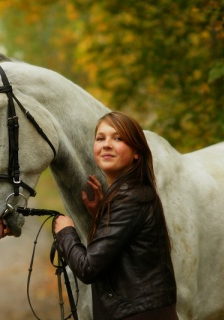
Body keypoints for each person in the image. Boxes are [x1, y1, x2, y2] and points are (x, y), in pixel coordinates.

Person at [53, 111, 178, 320]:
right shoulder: (130, 194)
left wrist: (66, 232)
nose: (107, 144)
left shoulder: (130, 199)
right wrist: (101, 213)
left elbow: (88, 268)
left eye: (118, 138)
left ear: (136, 152)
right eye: (100, 138)